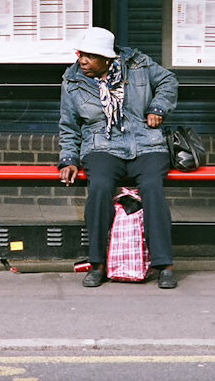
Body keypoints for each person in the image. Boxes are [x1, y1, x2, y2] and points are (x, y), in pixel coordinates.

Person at [57, 26, 180, 289]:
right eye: (81, 54)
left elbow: (168, 81)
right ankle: (97, 263)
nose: (83, 61)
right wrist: (68, 159)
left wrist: (158, 107)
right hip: (102, 145)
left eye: (90, 56)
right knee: (99, 187)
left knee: (152, 188)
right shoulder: (73, 81)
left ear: (107, 59)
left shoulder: (139, 65)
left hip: (146, 143)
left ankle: (164, 264)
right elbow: (68, 124)